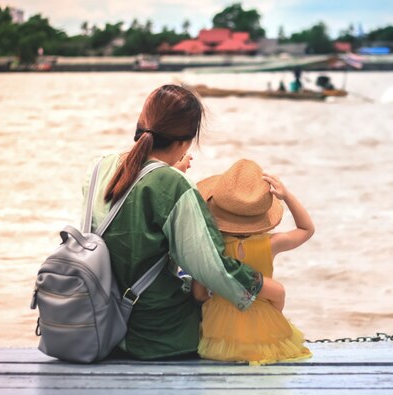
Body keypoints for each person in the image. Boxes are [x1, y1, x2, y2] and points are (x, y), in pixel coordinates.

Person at [82, 85, 286, 360]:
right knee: (218, 308)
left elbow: (125, 233)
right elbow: (213, 267)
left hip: (97, 318)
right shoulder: (175, 185)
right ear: (185, 143)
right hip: (154, 333)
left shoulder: (100, 167)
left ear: (142, 125)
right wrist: (264, 285)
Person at [193, 159, 314, 365]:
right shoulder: (272, 243)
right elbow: (306, 229)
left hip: (220, 332)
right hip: (265, 329)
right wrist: (287, 196)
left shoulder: (211, 247)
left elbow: (199, 294)